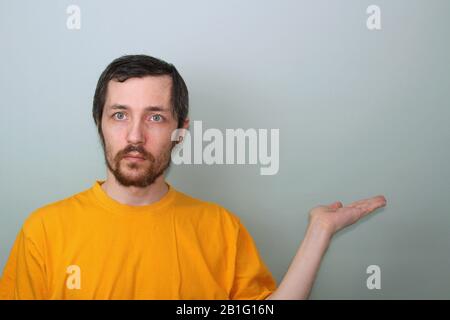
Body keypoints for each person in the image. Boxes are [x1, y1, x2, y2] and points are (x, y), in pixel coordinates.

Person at [0, 54, 386, 300]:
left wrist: (319, 232)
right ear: (99, 124)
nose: (135, 136)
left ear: (180, 130)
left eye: (155, 117)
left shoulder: (220, 228)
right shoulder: (44, 231)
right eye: (119, 115)